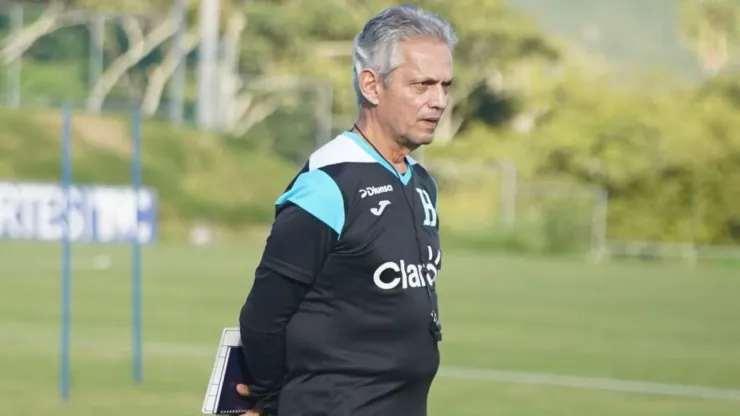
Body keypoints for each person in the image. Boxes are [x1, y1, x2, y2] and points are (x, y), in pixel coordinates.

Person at [236, 4, 456, 416]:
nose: (439, 100)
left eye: (445, 85)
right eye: (422, 84)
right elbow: (263, 316)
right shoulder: (328, 183)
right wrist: (269, 402)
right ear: (372, 85)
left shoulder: (423, 183)